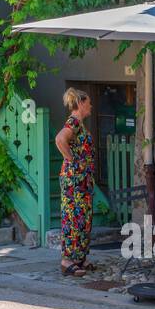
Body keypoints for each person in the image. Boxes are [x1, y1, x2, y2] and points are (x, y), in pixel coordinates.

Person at [54, 87, 96, 277]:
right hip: (74, 180)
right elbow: (60, 139)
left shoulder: (79, 124)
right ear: (80, 103)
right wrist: (72, 161)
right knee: (73, 218)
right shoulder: (74, 122)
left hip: (82, 180)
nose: (91, 106)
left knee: (83, 218)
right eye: (88, 103)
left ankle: (79, 257)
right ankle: (67, 261)